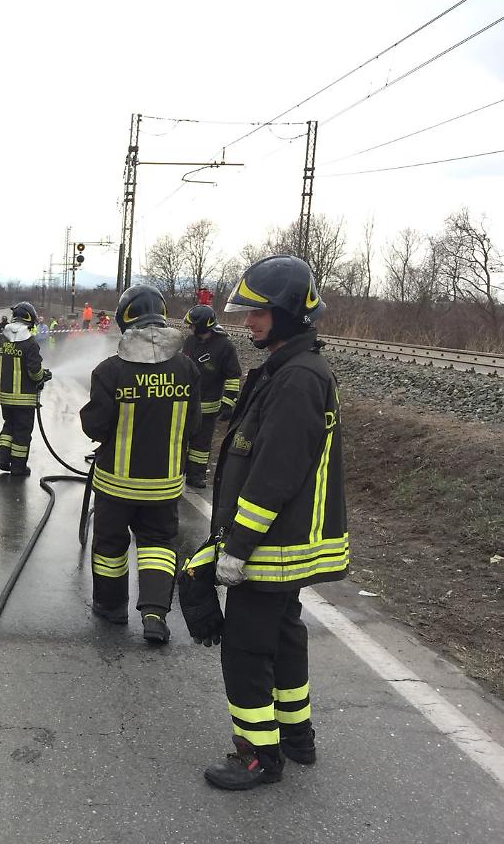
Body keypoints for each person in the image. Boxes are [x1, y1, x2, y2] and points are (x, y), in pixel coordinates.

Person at [179, 254, 349, 791]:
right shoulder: (290, 369)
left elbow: (273, 474)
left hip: (269, 547)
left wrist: (235, 547)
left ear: (289, 314)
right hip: (281, 543)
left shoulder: (297, 378)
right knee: (283, 637)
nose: (248, 322)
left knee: (248, 650)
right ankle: (298, 739)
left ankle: (257, 756)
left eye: (259, 313)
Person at [79, 285, 200, 642]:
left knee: (111, 548)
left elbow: (95, 425)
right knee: (159, 546)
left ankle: (112, 608)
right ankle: (155, 614)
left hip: (116, 485)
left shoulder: (110, 371)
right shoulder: (188, 369)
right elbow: (194, 425)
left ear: (125, 319)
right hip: (164, 485)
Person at [182, 305, 242, 489]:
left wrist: (228, 403)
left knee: (201, 445)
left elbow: (233, 376)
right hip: (185, 404)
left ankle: (196, 475)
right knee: (181, 441)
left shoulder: (225, 347)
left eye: (192, 325)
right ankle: (178, 472)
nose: (189, 328)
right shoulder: (190, 342)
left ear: (201, 326)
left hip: (208, 408)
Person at [0, 301, 50, 477]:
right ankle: (18, 468)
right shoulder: (30, 343)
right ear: (29, 319)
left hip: (6, 396)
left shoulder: (4, 338)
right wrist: (43, 376)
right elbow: (34, 372)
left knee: (9, 427)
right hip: (24, 399)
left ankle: (2, 459)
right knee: (22, 433)